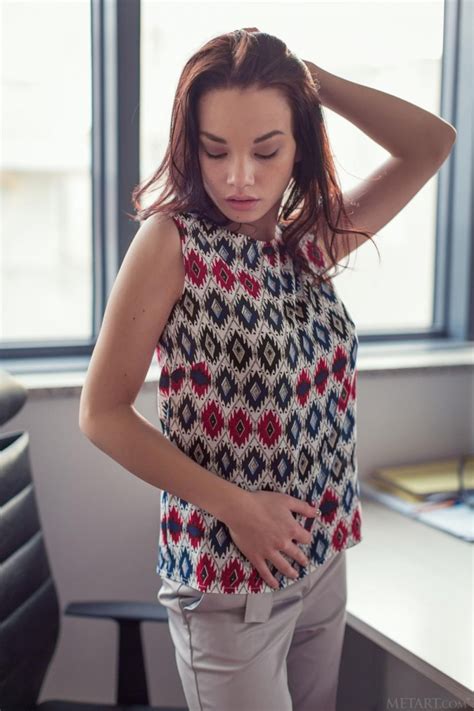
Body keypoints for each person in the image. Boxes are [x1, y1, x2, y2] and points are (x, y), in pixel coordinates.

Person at [79, 27, 456, 711]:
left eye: (267, 149)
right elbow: (100, 413)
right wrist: (237, 507)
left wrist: (316, 83)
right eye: (215, 149)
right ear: (190, 145)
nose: (240, 177)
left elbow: (432, 143)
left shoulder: (305, 243)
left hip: (320, 565)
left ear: (300, 147)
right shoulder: (170, 243)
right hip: (229, 579)